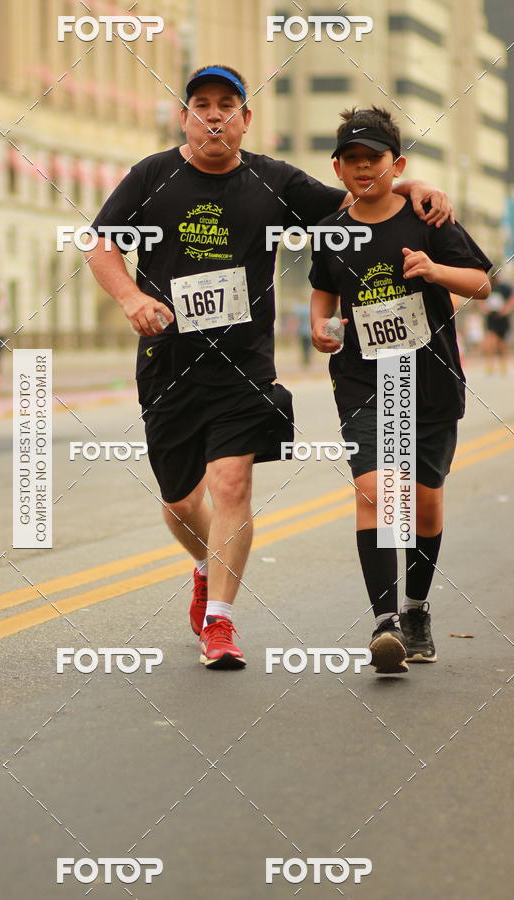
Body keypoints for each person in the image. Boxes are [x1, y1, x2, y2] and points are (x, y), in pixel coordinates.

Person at [87, 66, 454, 670]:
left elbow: (362, 199)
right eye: (201, 105)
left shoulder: (272, 179)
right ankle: (205, 567)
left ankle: (221, 624)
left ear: (245, 120)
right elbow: (100, 242)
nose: (214, 116)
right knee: (181, 503)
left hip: (244, 367)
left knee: (231, 483)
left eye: (227, 105)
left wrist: (417, 191)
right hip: (168, 364)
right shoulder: (152, 176)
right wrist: (132, 298)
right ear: (184, 117)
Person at [310, 106, 491, 674]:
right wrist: (319, 326)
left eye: (376, 160)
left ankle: (416, 609)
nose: (365, 170)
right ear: (338, 168)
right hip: (364, 380)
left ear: (398, 164)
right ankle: (385, 622)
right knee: (376, 492)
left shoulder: (429, 219)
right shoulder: (332, 232)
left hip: (431, 377)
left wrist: (435, 271)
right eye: (354, 161)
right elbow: (322, 289)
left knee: (426, 501)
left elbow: (483, 282)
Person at [481, 279, 513, 375]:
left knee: (502, 342)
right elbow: (479, 297)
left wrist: (506, 309)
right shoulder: (487, 284)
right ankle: (490, 364)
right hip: (491, 317)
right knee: (491, 340)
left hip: (502, 317)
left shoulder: (505, 287)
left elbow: (512, 299)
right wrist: (484, 308)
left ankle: (503, 365)